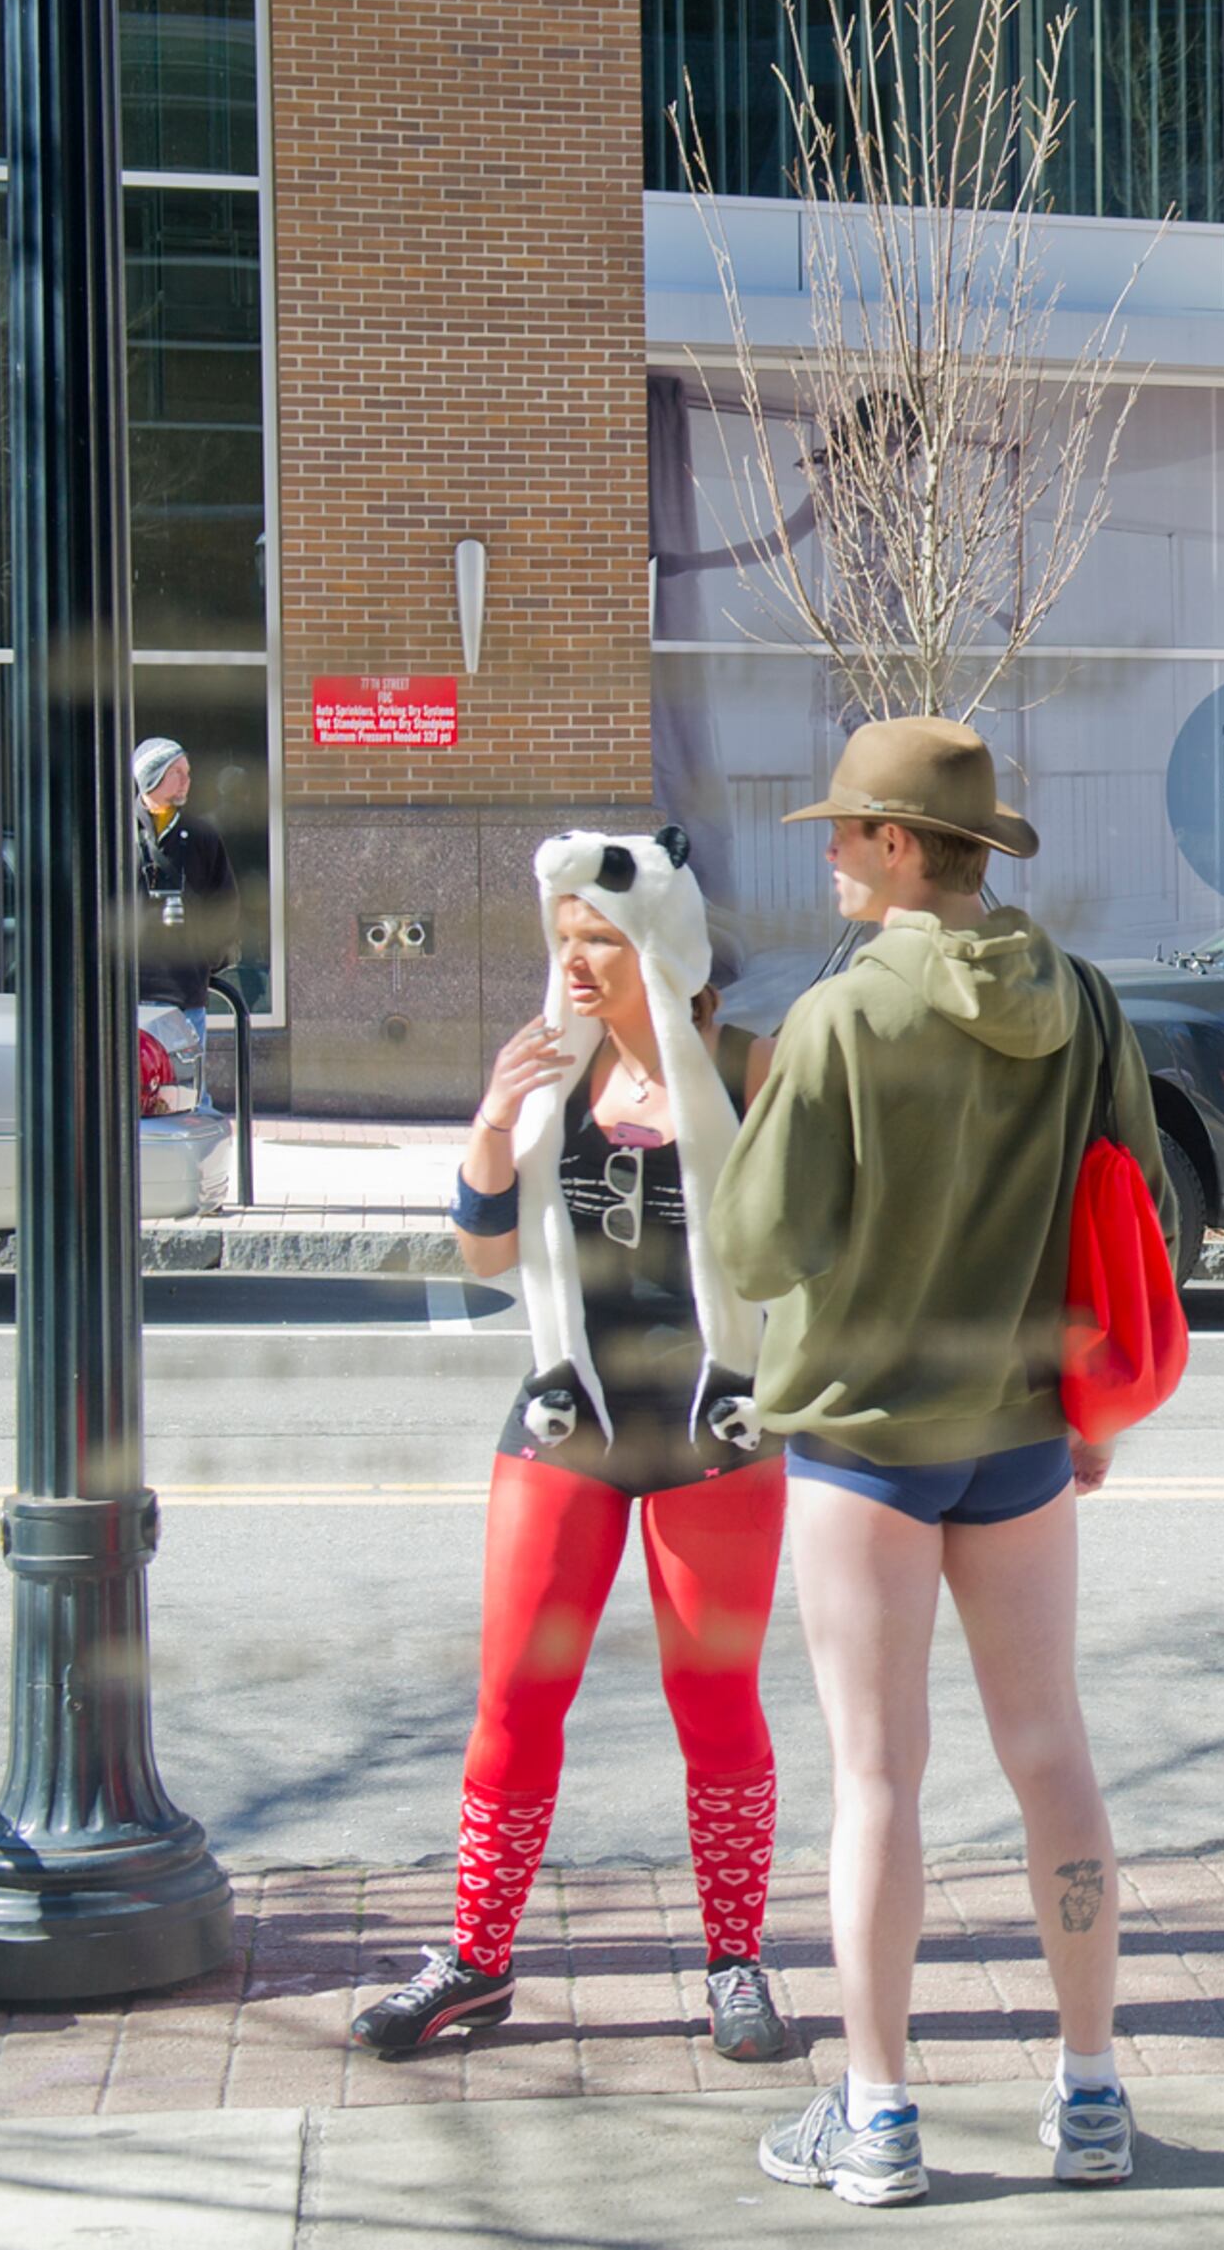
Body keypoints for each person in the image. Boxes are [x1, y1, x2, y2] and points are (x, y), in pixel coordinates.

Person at [712, 717, 1177, 2207]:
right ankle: (1094, 2093)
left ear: (902, 846)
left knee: (877, 1779)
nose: (834, 855)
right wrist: (1088, 1414)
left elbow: (757, 1241)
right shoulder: (1088, 1003)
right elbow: (1140, 1204)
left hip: (865, 1440)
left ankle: (881, 2117)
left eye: (846, 832)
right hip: (1028, 1437)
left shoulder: (843, 1022)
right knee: (1055, 1757)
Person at [348, 828, 803, 2066]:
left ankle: (736, 1958)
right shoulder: (550, 1073)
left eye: (598, 937)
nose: (578, 963)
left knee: (714, 1699)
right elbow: (487, 1258)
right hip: (568, 1413)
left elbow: (819, 1244)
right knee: (513, 1693)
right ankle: (478, 1959)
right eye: (563, 941)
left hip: (715, 1421)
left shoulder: (751, 1069)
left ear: (661, 939)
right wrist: (495, 1120)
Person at [132, 734, 240, 1018]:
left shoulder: (202, 836)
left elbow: (225, 904)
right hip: (127, 995)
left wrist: (206, 959)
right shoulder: (115, 834)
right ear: (151, 778)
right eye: (175, 773)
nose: (185, 780)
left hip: (185, 993)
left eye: (187, 773)